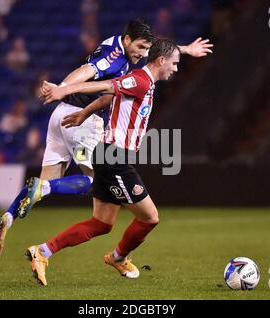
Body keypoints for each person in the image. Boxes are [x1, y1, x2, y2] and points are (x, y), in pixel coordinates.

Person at [0, 18, 213, 260]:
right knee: (95, 179)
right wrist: (62, 87)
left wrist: (186, 49)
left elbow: (157, 51)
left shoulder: (126, 47)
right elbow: (89, 73)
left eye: (146, 49)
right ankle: (46, 199)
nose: (143, 54)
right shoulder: (116, 58)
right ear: (127, 41)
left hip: (61, 117)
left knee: (49, 183)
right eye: (140, 48)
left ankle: (6, 219)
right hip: (80, 122)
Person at [25, 38, 181, 285]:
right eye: (174, 63)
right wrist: (66, 89)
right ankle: (118, 258)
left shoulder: (142, 80)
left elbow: (110, 97)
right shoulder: (140, 80)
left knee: (102, 223)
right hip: (114, 158)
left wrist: (84, 113)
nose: (175, 68)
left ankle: (42, 252)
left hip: (108, 155)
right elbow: (107, 86)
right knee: (150, 217)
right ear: (161, 61)